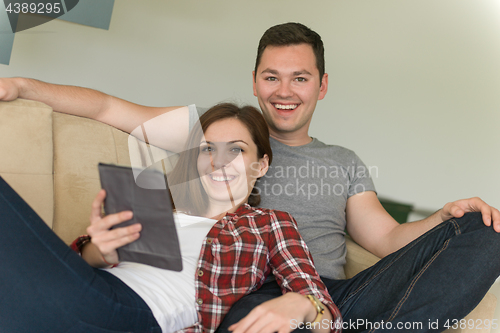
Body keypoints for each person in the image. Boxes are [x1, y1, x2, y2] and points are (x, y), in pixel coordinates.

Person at [1, 22, 499, 332]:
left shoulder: (342, 161)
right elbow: (109, 106)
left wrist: (443, 216)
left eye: (299, 77)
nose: (284, 90)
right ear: (255, 81)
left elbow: (388, 237)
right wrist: (23, 84)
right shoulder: (212, 131)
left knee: (484, 232)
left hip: (330, 293)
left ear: (321, 86)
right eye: (271, 76)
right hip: (239, 292)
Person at [0, 103, 342, 333]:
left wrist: (304, 305)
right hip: (83, 287)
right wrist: (96, 251)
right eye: (208, 149)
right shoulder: (157, 204)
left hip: (135, 314)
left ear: (262, 164)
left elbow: (327, 313)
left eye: (236, 150)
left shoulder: (268, 224)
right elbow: (77, 264)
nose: (218, 161)